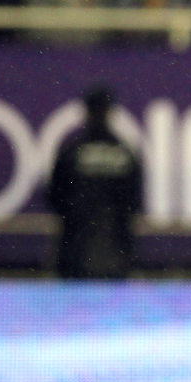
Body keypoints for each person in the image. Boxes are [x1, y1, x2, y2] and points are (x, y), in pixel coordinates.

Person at [47, 85, 142, 280]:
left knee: (73, 310)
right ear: (110, 112)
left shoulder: (72, 151)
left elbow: (54, 197)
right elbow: (135, 201)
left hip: (74, 253)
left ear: (86, 112)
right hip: (116, 254)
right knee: (114, 309)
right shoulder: (124, 153)